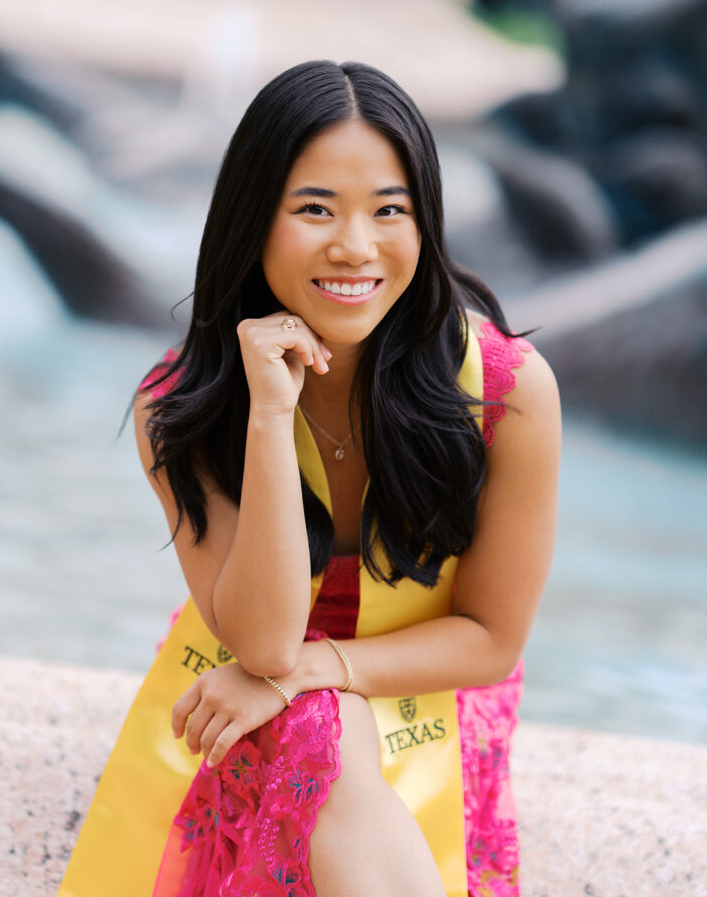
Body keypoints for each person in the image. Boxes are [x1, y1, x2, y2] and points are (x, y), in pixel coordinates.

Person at [132, 60, 561, 897]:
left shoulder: (505, 390)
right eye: (315, 209)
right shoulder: (178, 407)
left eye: (388, 211)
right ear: (252, 219)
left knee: (302, 712)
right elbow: (259, 644)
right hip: (248, 670)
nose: (355, 247)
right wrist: (265, 415)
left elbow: (490, 641)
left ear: (424, 223)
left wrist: (312, 672)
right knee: (303, 723)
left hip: (427, 681)